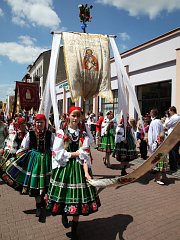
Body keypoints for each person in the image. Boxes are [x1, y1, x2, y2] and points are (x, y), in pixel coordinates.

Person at [46, 106, 101, 240]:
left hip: (80, 168)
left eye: (78, 116)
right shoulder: (61, 132)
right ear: (69, 116)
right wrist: (76, 153)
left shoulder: (84, 134)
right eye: (73, 116)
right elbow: (57, 153)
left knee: (79, 200)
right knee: (65, 195)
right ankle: (64, 215)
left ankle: (74, 229)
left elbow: (86, 155)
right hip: (65, 168)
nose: (76, 119)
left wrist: (87, 173)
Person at [5, 114, 55, 223]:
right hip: (35, 160)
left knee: (47, 183)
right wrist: (18, 156)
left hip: (47, 160)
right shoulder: (30, 134)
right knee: (36, 184)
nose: (39, 124)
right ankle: (38, 206)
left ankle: (44, 202)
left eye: (41, 122)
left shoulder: (50, 134)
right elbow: (24, 146)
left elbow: (53, 147)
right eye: (37, 122)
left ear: (45, 123)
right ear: (34, 123)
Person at [164, 106, 180, 171]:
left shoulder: (174, 117)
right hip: (177, 135)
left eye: (169, 111)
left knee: (172, 151)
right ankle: (176, 164)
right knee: (176, 150)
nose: (169, 112)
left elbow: (166, 125)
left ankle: (173, 166)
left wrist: (166, 120)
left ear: (172, 111)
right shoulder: (178, 116)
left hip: (173, 136)